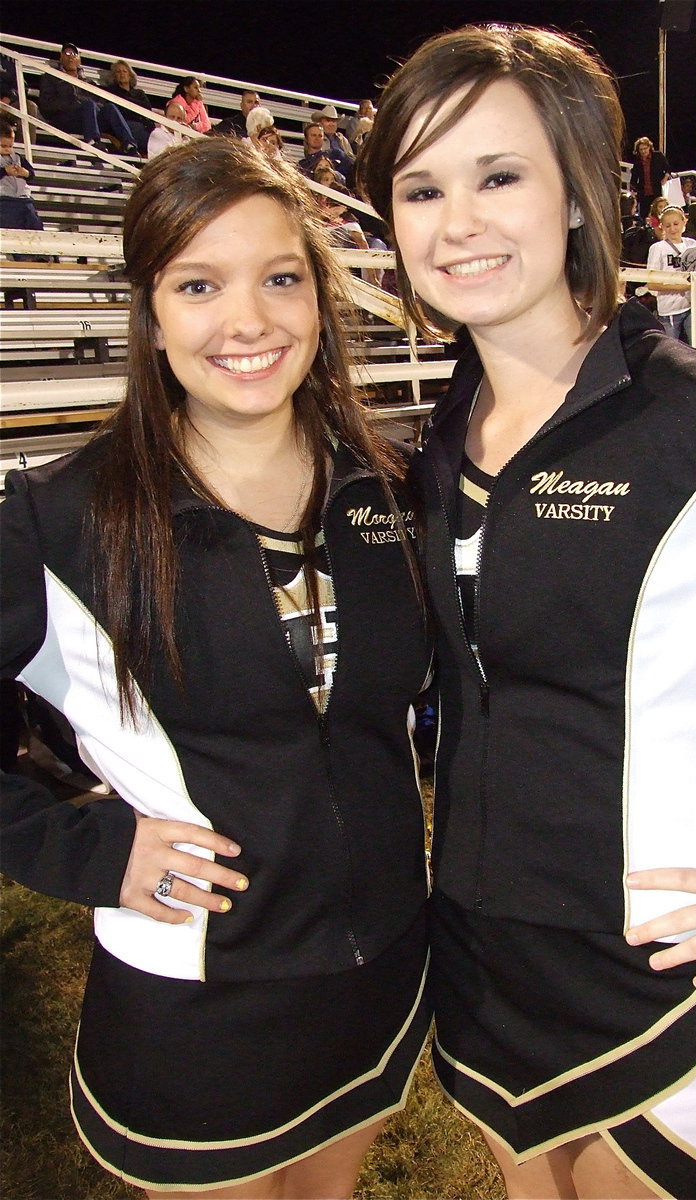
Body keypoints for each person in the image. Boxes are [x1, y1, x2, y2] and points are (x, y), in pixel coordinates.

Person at [358, 23, 696, 1200]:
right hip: (479, 962)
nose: (456, 221)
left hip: (666, 965)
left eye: (499, 175)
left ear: (579, 193)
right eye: (421, 186)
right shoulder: (437, 440)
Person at [0, 138, 431, 1198]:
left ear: (321, 299)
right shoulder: (55, 521)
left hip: (382, 975)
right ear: (152, 314)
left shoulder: (390, 487)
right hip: (197, 1009)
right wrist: (86, 850)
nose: (249, 322)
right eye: (200, 284)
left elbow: (425, 707)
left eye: (281, 278)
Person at [38, 41, 138, 153]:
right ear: (61, 58)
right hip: (64, 119)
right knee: (88, 104)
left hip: (87, 120)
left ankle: (130, 144)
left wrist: (92, 107)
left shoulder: (88, 82)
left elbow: (100, 102)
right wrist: (74, 104)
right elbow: (46, 105)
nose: (71, 57)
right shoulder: (51, 77)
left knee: (110, 107)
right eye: (67, 54)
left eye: (74, 54)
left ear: (79, 61)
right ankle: (93, 141)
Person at [645, 205, 696, 341]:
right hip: (669, 311)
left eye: (676, 224)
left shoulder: (692, 244)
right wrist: (681, 286)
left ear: (684, 222)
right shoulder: (657, 248)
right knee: (671, 351)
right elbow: (652, 284)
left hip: (692, 306)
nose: (672, 229)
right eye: (668, 225)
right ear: (662, 226)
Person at [0, 118, 44, 230]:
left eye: (10, 146)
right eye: (3, 146)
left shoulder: (19, 158)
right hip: (5, 201)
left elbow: (32, 174)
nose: (7, 150)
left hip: (24, 199)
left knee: (35, 227)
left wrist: (25, 173)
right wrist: (5, 171)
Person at [104, 58, 154, 155]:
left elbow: (147, 107)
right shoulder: (112, 91)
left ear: (130, 75)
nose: (122, 74)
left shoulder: (139, 93)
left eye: (124, 71)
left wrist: (126, 102)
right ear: (114, 76)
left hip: (143, 125)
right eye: (118, 72)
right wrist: (136, 107)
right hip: (126, 125)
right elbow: (118, 110)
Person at [629, 135, 670, 219]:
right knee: (644, 216)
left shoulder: (657, 156)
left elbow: (668, 168)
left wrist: (665, 178)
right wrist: (635, 189)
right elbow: (634, 178)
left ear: (649, 147)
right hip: (644, 193)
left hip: (657, 190)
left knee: (658, 214)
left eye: (645, 148)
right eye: (641, 149)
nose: (643, 151)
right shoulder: (637, 161)